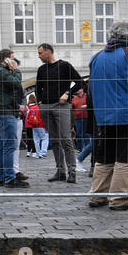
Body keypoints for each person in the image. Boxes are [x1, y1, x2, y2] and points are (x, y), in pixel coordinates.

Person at [88, 20, 128, 210]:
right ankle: (118, 199)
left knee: (104, 157)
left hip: (103, 118)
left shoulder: (96, 57)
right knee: (125, 158)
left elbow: (90, 91)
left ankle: (97, 196)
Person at [35, 43, 82, 182]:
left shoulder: (65, 65)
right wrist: (40, 104)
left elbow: (79, 82)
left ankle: (72, 171)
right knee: (54, 140)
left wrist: (68, 93)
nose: (39, 56)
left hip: (61, 106)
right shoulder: (41, 69)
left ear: (49, 51)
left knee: (66, 139)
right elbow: (38, 88)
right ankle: (60, 171)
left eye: (41, 53)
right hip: (46, 107)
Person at [0, 49, 27, 187]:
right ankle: (10, 179)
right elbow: (16, 83)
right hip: (5, 113)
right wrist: (16, 71)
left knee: (1, 146)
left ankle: (2, 177)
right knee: (9, 146)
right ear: (6, 60)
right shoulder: (1, 72)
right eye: (12, 58)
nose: (14, 61)